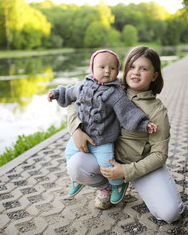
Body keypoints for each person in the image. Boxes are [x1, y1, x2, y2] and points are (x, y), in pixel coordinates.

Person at [66, 46, 185, 223]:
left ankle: (138, 183)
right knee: (76, 165)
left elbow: (160, 155)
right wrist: (76, 129)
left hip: (139, 167)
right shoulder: (109, 87)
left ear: (154, 76)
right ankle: (108, 187)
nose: (136, 73)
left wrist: (126, 171)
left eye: (144, 69)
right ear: (125, 69)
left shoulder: (157, 111)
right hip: (106, 160)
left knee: (170, 214)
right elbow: (74, 100)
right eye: (132, 67)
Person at [47, 49, 157, 205]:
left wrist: (144, 124)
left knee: (107, 164)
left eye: (112, 68)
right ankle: (76, 179)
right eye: (102, 67)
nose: (107, 71)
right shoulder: (83, 85)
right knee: (69, 153)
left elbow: (128, 112)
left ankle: (117, 185)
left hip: (103, 140)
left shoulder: (115, 93)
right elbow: (69, 92)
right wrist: (57, 93)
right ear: (92, 69)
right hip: (83, 135)